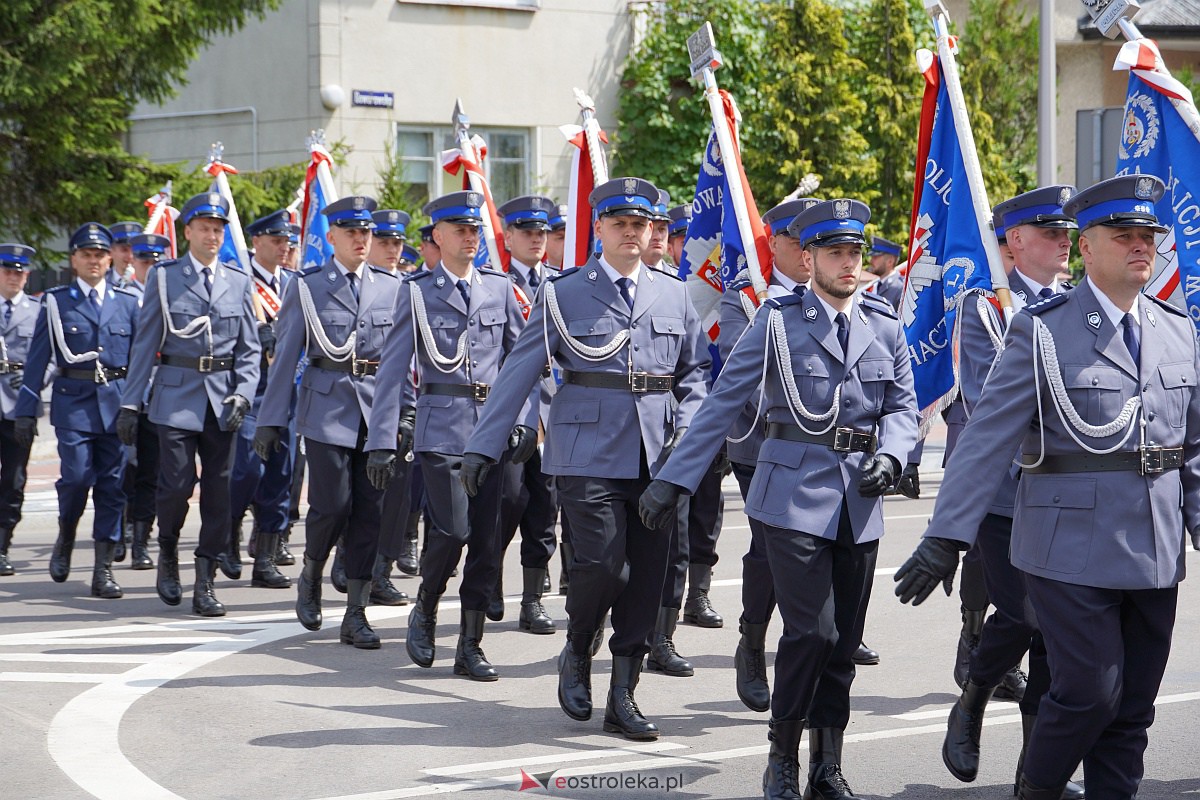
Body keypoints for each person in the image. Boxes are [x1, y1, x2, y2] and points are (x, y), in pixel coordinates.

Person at [894, 174, 1197, 800]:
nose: (1141, 245)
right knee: (1089, 692)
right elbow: (985, 440)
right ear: (1087, 247)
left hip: (1155, 549)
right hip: (1068, 548)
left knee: (1133, 709)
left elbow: (1191, 448)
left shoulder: (1178, 328)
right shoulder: (1043, 329)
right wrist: (945, 535)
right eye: (1124, 235)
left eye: (1149, 235)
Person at [639, 198, 917, 798]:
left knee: (842, 642)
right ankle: (782, 756)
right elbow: (720, 403)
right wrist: (675, 478)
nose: (848, 264)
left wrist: (893, 455)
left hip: (858, 502)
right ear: (808, 257)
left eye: (855, 253)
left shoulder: (884, 324)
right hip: (790, 493)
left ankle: (827, 764)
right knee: (810, 634)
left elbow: (901, 406)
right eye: (835, 252)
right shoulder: (777, 321)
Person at [460, 177, 709, 739]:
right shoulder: (564, 292)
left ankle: (623, 694)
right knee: (602, 565)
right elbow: (520, 370)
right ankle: (578, 645)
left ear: (651, 231)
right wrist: (482, 444)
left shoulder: (673, 293)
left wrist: (687, 434)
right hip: (586, 453)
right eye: (619, 223)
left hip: (656, 455)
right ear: (598, 229)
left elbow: (695, 375)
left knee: (645, 575)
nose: (631, 232)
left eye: (640, 224)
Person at [928, 186, 1084, 798]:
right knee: (1023, 612)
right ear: (1015, 243)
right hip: (1003, 492)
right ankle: (972, 695)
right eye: (1051, 232)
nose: (1065, 243)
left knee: (1052, 633)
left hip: (1062, 490)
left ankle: (1034, 767)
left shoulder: (1076, 304)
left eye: (1068, 234)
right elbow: (1002, 395)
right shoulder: (985, 308)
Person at [365, 189, 533, 678]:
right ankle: (428, 603)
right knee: (453, 529)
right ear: (437, 236)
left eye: (475, 230)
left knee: (485, 540)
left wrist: (524, 418)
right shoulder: (415, 291)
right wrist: (380, 441)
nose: (469, 238)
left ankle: (470, 645)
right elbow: (393, 369)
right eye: (459, 230)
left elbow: (520, 363)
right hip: (441, 430)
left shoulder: (498, 288)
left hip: (491, 431)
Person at [255, 195, 401, 647]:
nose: (361, 239)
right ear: (332, 237)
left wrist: (405, 412)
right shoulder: (307, 286)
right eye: (351, 232)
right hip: (325, 410)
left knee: (370, 512)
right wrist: (270, 419)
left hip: (376, 411)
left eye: (366, 232)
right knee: (333, 505)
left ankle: (355, 612)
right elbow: (285, 358)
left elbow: (401, 361)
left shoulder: (393, 287)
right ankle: (313, 570)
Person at [118, 193, 260, 617]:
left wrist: (244, 393)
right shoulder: (164, 277)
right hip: (175, 396)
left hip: (223, 400)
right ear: (189, 232)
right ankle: (166, 553)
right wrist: (130, 404)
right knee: (177, 485)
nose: (212, 235)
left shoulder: (239, 280)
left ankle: (205, 579)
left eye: (218, 229)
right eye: (204, 228)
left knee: (220, 493)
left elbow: (250, 351)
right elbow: (145, 345)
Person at [718, 196, 817, 709]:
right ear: (771, 242)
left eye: (813, 241)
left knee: (825, 544)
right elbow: (739, 372)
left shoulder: (838, 297)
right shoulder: (746, 299)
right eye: (796, 240)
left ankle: (827, 633)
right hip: (762, 444)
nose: (806, 251)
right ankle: (753, 640)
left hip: (822, 450)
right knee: (770, 549)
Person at [18, 224, 142, 598]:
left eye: (100, 255)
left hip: (116, 403)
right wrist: (26, 409)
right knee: (75, 479)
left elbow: (139, 358)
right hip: (74, 404)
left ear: (110, 259)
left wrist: (136, 405)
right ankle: (66, 534)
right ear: (73, 259)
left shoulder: (127, 302)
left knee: (112, 487)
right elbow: (38, 359)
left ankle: (102, 569)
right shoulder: (56, 301)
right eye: (86, 254)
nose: (94, 261)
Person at [642, 190, 722, 681]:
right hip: (630, 433)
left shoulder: (685, 291)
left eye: (663, 229)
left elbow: (696, 368)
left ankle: (663, 637)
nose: (657, 237)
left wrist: (693, 426)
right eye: (658, 229)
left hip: (680, 433)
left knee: (678, 540)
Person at [490, 194, 560, 633]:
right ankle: (491, 579)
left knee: (545, 507)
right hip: (514, 413)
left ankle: (533, 599)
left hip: (556, 415)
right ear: (509, 237)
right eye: (527, 233)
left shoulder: (562, 282)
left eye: (542, 233)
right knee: (508, 502)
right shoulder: (495, 286)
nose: (537, 240)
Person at [225, 209, 296, 592]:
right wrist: (256, 331)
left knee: (281, 472)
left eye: (287, 241)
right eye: (276, 240)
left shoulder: (296, 283)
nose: (284, 247)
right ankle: (230, 530)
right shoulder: (240, 282)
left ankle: (266, 556)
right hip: (253, 387)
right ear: (257, 242)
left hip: (289, 390)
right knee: (247, 468)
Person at [362, 207, 413, 606]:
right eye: (385, 241)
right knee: (353, 498)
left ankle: (381, 570)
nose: (393, 249)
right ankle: (351, 561)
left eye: (398, 242)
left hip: (402, 402)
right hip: (356, 403)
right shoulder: (362, 288)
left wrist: (410, 408)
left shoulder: (412, 287)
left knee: (397, 494)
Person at [117, 234, 171, 571]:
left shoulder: (169, 296)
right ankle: (120, 525)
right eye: (144, 261)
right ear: (133, 263)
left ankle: (141, 540)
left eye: (155, 262)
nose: (150, 267)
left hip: (160, 394)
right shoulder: (123, 298)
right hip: (128, 393)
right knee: (124, 468)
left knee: (151, 471)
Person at [0, 243, 40, 576]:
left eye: (20, 271)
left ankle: (2, 545)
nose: (14, 277)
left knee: (13, 479)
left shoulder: (38, 310)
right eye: (8, 271)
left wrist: (32, 385)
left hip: (19, 404)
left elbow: (52, 358)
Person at [867, 236, 903, 309]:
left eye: (875, 257)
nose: (870, 261)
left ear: (890, 261)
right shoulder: (877, 285)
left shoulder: (900, 288)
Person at [107, 222, 142, 286]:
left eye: (134, 251)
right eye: (124, 250)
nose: (130, 256)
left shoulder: (145, 282)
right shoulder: (101, 280)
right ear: (111, 252)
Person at [545, 203, 568, 270]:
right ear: (545, 240)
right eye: (561, 238)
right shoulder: (536, 276)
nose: (567, 243)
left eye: (570, 238)